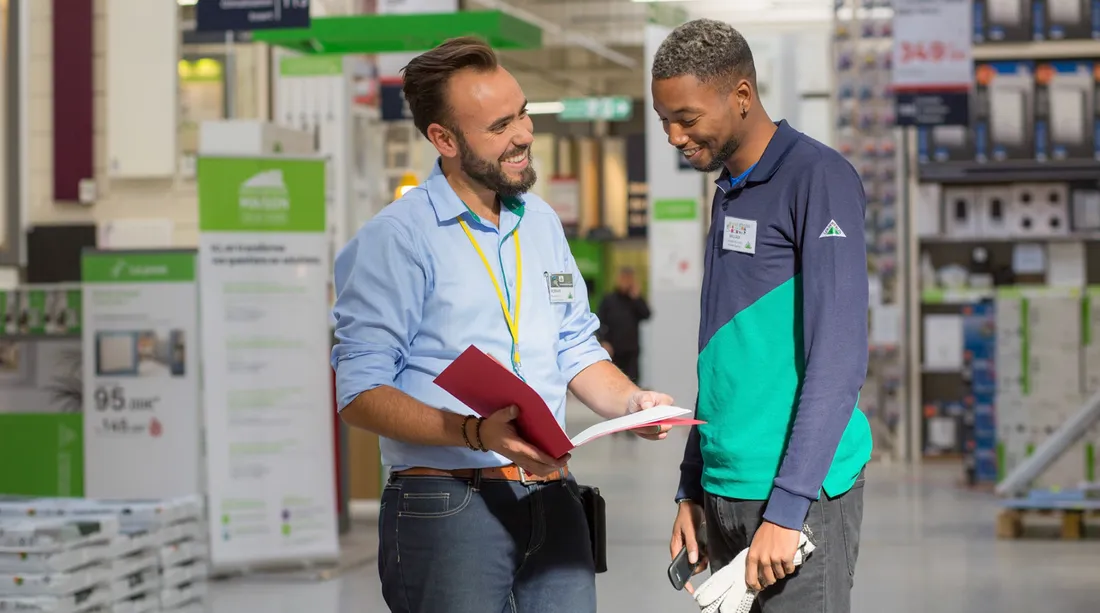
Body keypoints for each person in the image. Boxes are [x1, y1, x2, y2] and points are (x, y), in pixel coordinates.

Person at [330, 36, 675, 613]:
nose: (522, 135)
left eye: (522, 114)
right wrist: (473, 432)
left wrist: (631, 401)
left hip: (552, 496)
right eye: (498, 126)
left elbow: (574, 345)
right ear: (443, 139)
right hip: (447, 502)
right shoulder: (397, 239)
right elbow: (359, 393)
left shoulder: (540, 222)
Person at [651, 19, 873, 613]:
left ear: (742, 96)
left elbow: (839, 356)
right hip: (726, 489)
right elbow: (723, 352)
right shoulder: (732, 189)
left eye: (687, 119)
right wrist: (691, 485)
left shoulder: (819, 179)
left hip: (793, 497)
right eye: (664, 121)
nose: (674, 136)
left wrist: (789, 504)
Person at [596, 266, 651, 384]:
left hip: (631, 351)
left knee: (632, 381)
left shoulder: (634, 301)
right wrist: (603, 341)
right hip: (613, 350)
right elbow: (599, 322)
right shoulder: (609, 300)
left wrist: (637, 298)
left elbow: (647, 314)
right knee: (614, 382)